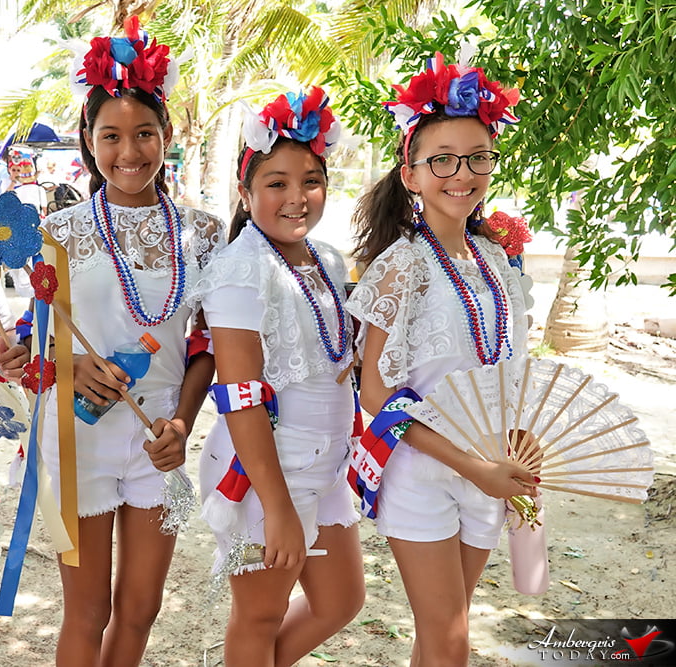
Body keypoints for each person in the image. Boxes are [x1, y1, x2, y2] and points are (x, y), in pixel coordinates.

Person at [0, 18, 225, 667]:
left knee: (141, 608)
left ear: (168, 136)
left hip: (158, 443)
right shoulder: (58, 231)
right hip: (77, 445)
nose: (130, 151)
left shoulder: (203, 234)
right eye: (112, 136)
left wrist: (184, 418)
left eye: (144, 133)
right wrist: (61, 364)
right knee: (89, 611)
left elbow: (206, 340)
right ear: (88, 142)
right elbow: (24, 346)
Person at [345, 53, 537, 666]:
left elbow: (508, 366)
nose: (463, 173)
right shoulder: (398, 266)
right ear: (412, 174)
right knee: (451, 639)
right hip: (421, 473)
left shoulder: (496, 260)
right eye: (443, 160)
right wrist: (467, 464)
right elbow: (373, 394)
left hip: (489, 469)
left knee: (439, 638)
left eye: (478, 157)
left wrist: (517, 450)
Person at [190, 87, 365, 667]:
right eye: (277, 183)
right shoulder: (241, 268)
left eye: (311, 180)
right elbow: (240, 397)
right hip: (267, 472)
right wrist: (279, 508)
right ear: (246, 191)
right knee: (260, 615)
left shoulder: (327, 258)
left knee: (340, 601)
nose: (297, 197)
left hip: (327, 467)